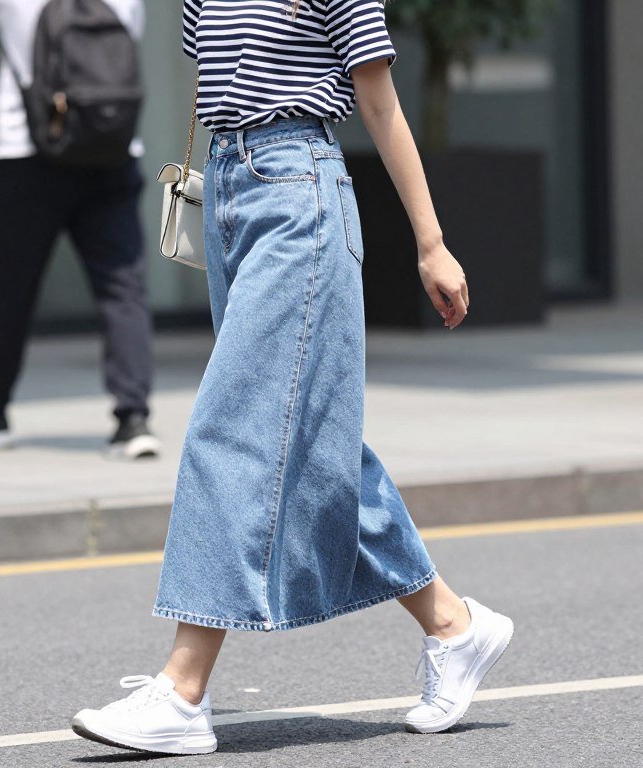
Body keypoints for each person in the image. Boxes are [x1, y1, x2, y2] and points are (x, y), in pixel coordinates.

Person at [69, 0, 513, 755]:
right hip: (229, 197)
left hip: (298, 197)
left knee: (234, 429)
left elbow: (379, 100)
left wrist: (432, 243)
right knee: (304, 442)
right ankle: (453, 626)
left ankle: (183, 687)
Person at [0, 0, 160, 459]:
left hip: (30, 148)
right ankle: (132, 419)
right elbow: (130, 32)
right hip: (111, 146)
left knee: (12, 287)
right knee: (123, 285)